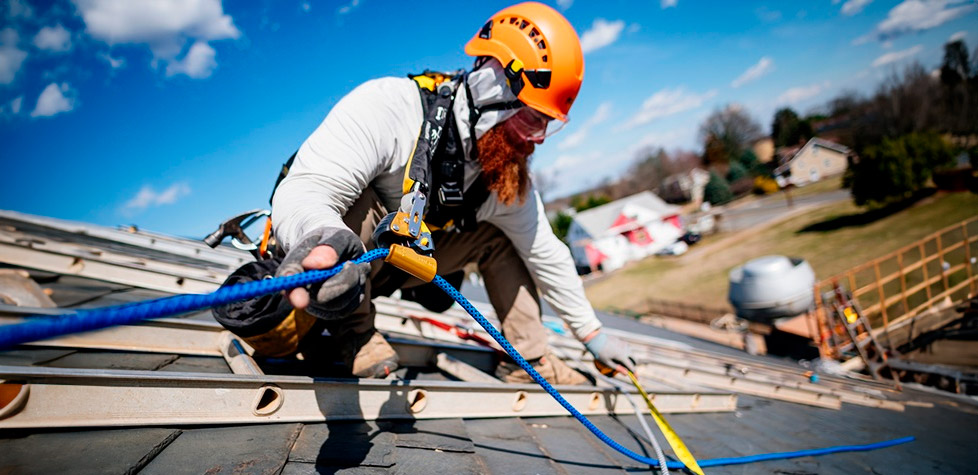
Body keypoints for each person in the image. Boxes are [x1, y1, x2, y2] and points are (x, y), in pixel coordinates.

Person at [226, 2, 635, 384]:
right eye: (532, 117)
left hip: (401, 260)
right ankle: (355, 336)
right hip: (338, 263)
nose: (538, 139)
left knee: (500, 237)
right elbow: (309, 187)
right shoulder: (391, 108)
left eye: (547, 124)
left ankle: (530, 359)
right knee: (354, 203)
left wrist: (592, 334)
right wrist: (320, 237)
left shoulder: (500, 172)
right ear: (493, 82)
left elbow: (544, 250)